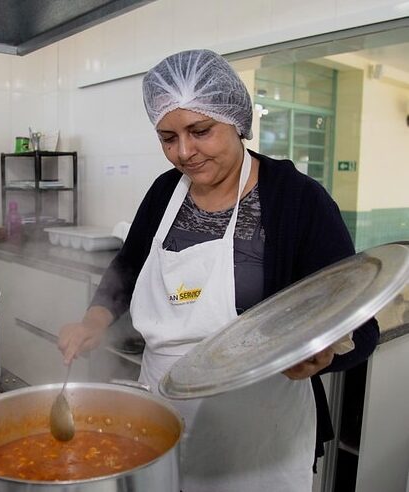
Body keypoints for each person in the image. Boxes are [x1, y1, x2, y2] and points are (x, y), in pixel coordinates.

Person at [58, 49, 379, 491]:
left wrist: (323, 352)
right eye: (168, 138)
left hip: (259, 435)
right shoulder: (165, 191)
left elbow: (359, 326)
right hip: (161, 417)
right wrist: (95, 318)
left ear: (236, 119)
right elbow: (128, 266)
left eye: (200, 131)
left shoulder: (297, 200)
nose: (184, 152)